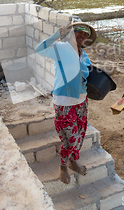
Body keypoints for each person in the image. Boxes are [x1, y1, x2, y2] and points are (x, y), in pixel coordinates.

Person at [35, 22, 97, 184]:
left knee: (80, 135)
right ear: (72, 33)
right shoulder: (61, 48)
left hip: (81, 101)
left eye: (86, 35)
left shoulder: (83, 54)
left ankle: (73, 161)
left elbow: (88, 75)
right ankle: (63, 166)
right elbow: (39, 49)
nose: (83, 37)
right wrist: (57, 34)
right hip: (64, 101)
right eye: (80, 33)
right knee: (69, 138)